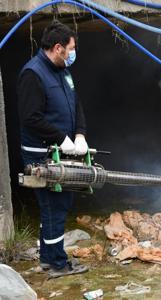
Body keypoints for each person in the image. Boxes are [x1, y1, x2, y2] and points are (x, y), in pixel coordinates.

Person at [18, 20, 88, 278]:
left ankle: (49, 258)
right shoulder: (33, 74)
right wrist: (61, 138)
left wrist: (79, 134)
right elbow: (31, 118)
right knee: (54, 206)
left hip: (64, 151)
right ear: (58, 48)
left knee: (56, 206)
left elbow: (75, 103)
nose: (73, 54)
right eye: (71, 48)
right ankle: (58, 264)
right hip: (42, 154)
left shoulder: (62, 71)